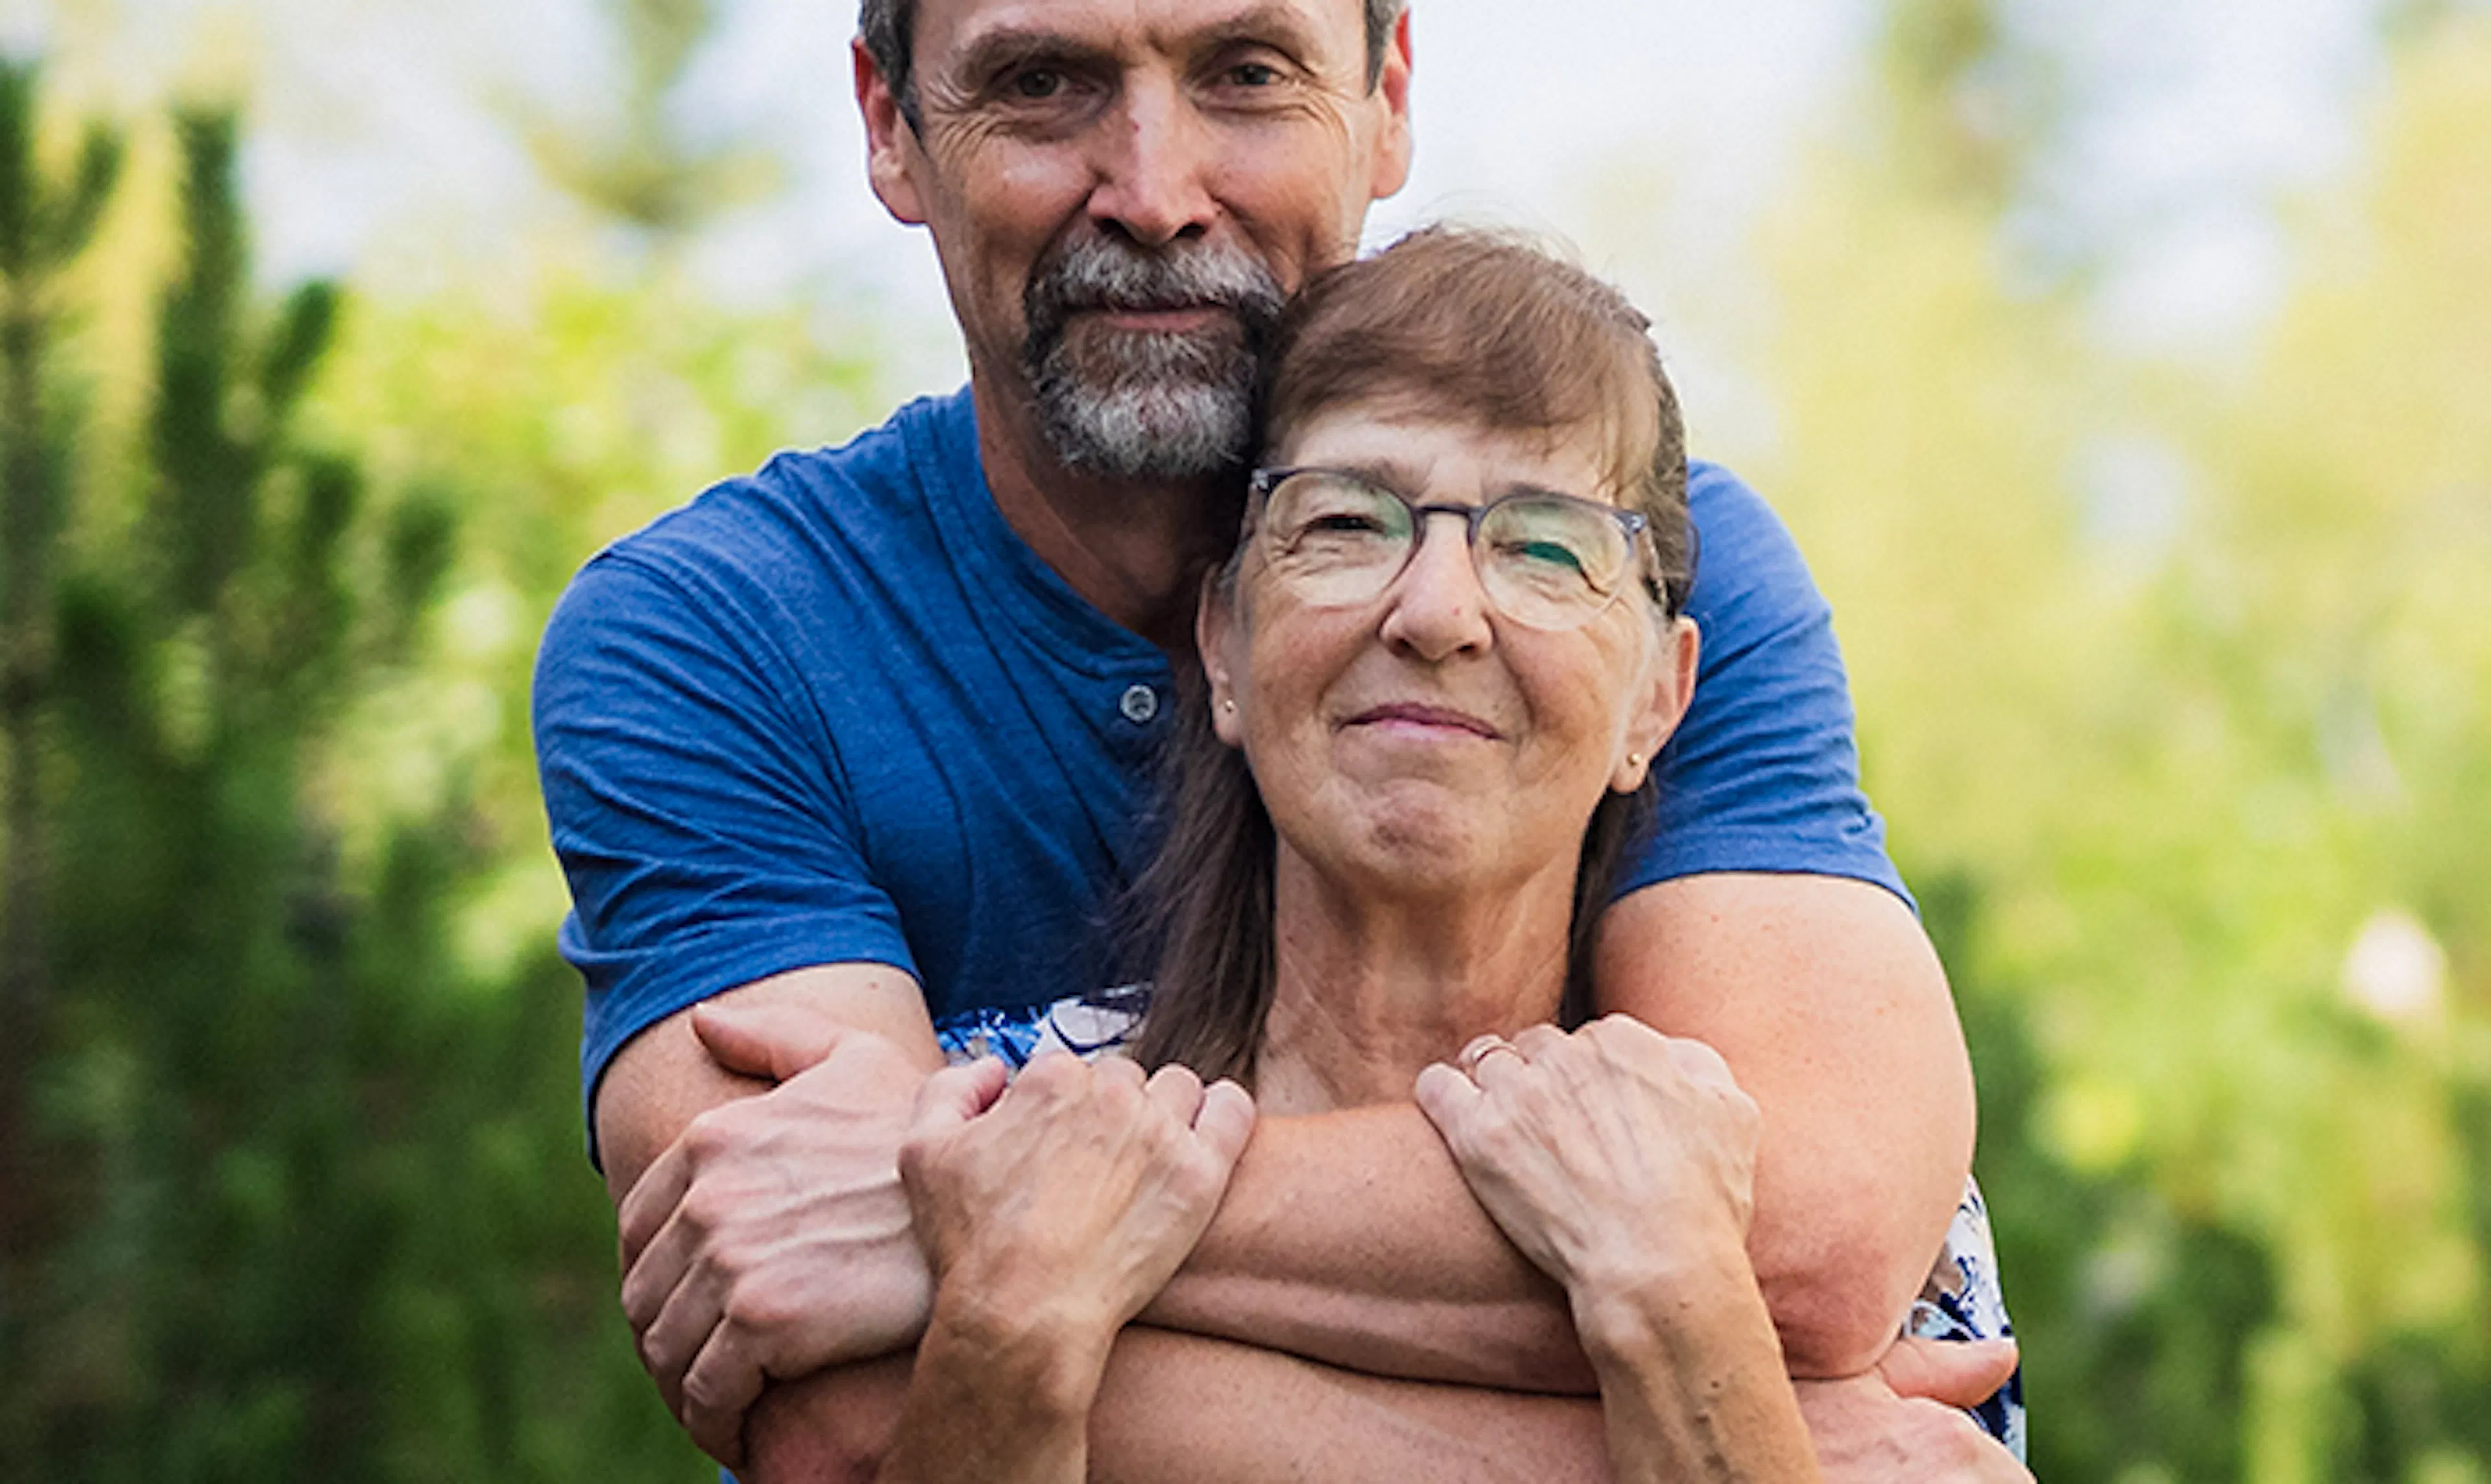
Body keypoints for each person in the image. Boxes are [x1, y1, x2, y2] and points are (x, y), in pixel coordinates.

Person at [533, 0, 2025, 1475]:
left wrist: (981, 1210)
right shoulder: (716, 635)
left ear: (1385, 100)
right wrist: (1714, 1424)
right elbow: (841, 1409)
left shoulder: (1647, 559)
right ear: (890, 124)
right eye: (1041, 84)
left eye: (1246, 75)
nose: (1157, 192)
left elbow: (1814, 1244)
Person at [870, 225, 1854, 1483]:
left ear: (1658, 702)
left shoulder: (1742, 1180)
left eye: (1545, 546)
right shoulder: (991, 1135)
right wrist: (1007, 1330)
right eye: (1345, 522)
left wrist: (1681, 1307)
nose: (1438, 612)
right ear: (1221, 647)